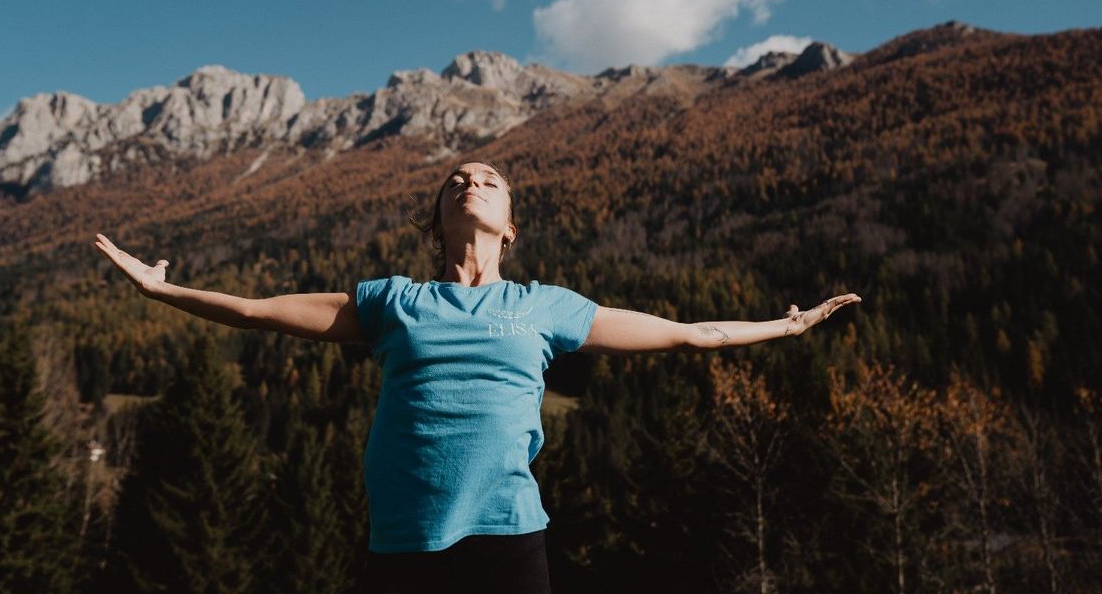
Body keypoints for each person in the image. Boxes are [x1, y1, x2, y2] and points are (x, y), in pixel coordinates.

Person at [94, 159, 860, 594]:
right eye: (456, 178)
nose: (471, 180)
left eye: (488, 178)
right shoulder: (395, 300)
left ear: (512, 226)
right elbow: (259, 311)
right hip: (403, 538)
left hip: (507, 534)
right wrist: (162, 291)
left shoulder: (546, 307)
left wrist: (786, 326)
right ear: (436, 220)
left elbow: (691, 336)